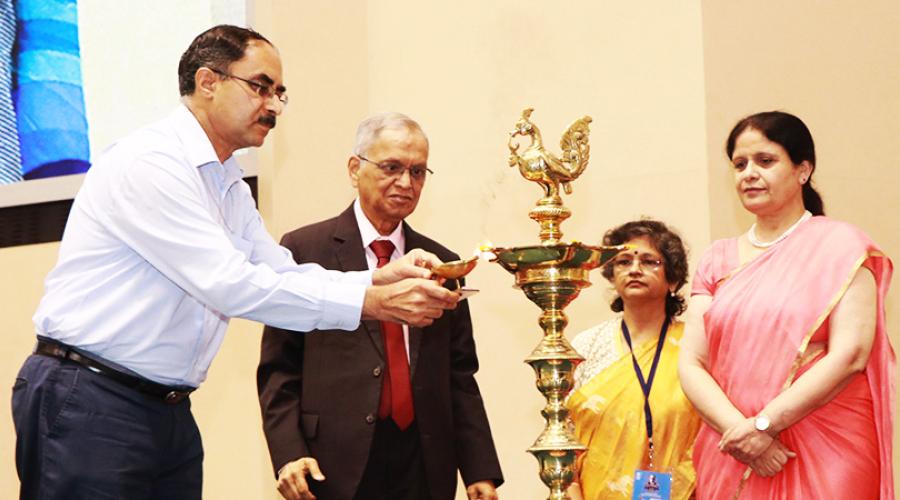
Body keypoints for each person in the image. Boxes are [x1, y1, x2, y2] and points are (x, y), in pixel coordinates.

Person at [11, 26, 460, 500]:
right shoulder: (153, 163)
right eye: (260, 87)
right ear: (208, 82)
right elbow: (231, 285)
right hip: (91, 399)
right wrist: (373, 302)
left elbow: (278, 270)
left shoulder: (226, 181)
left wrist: (375, 277)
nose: (273, 106)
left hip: (165, 408)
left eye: (280, 94)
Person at [257, 112, 503, 500]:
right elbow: (279, 369)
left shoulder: (443, 261)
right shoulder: (306, 250)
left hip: (423, 459)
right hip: (332, 461)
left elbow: (459, 375)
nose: (406, 183)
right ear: (355, 168)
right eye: (392, 167)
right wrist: (289, 454)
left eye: (418, 172)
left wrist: (479, 469)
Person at [678, 111, 894, 499]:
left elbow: (851, 355)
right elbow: (692, 362)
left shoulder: (841, 248)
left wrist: (764, 426)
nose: (749, 173)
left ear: (803, 170)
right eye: (739, 164)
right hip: (732, 448)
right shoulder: (717, 259)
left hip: (826, 442)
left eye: (765, 161)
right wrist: (742, 434)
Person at [565, 220, 701, 500]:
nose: (635, 269)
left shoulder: (695, 345)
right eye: (623, 261)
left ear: (673, 279)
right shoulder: (586, 346)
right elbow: (563, 431)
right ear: (612, 275)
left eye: (650, 261)